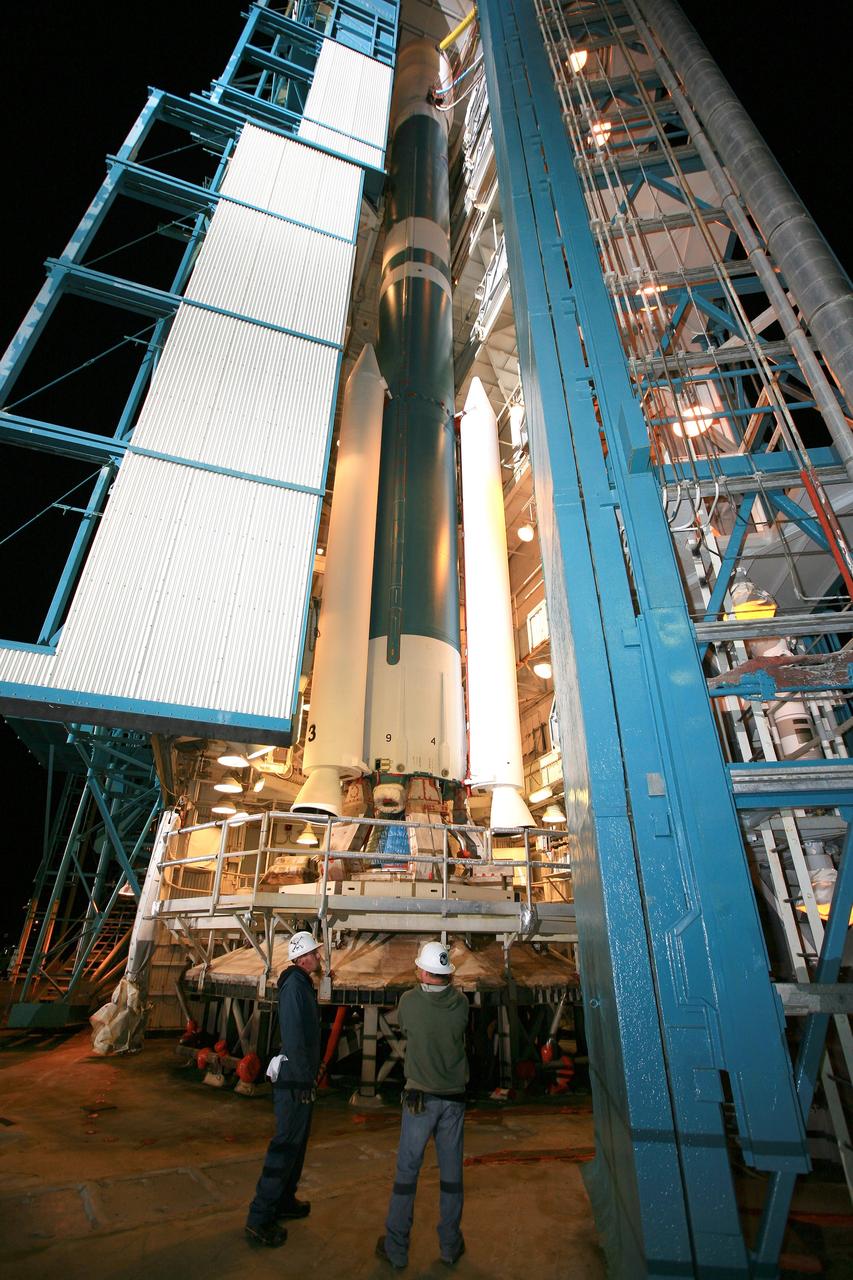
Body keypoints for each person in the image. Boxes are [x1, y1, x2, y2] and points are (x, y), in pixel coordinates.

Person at [376, 940, 469, 1270]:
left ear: (424, 972)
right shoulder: (461, 1005)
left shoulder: (410, 1002)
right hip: (454, 1100)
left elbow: (409, 1023)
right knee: (452, 1175)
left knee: (407, 1174)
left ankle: (397, 1247)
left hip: (419, 1099)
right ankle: (449, 1244)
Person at [245, 930, 323, 1247]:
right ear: (303, 958)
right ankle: (259, 1218)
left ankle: (285, 1200)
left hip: (301, 1077)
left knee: (298, 1144)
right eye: (315, 953)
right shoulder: (294, 987)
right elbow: (293, 1036)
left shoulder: (302, 985)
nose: (319, 956)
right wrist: (304, 1078)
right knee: (285, 1145)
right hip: (294, 1080)